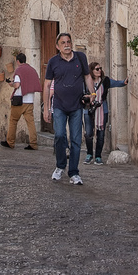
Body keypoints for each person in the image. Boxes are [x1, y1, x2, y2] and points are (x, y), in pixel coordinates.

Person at [43, 33, 94, 184]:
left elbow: (87, 77)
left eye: (68, 42)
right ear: (57, 46)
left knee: (76, 140)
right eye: (63, 43)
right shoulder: (53, 62)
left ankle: (73, 172)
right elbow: (46, 85)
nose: (67, 45)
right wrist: (46, 108)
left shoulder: (80, 58)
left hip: (76, 106)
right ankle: (60, 166)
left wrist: (92, 93)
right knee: (59, 136)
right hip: (59, 105)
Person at [84, 62, 128, 164]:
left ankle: (98, 156)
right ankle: (89, 154)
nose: (99, 70)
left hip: (102, 109)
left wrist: (124, 82)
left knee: (101, 134)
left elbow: (116, 83)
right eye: (97, 69)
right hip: (89, 110)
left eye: (100, 68)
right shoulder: (85, 81)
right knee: (89, 133)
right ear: (92, 71)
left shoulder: (105, 80)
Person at [1, 52, 41, 150]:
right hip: (30, 100)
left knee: (13, 121)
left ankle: (10, 142)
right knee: (30, 123)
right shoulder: (32, 70)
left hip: (19, 100)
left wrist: (11, 84)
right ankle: (33, 143)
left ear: (18, 61)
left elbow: (17, 85)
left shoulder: (19, 70)